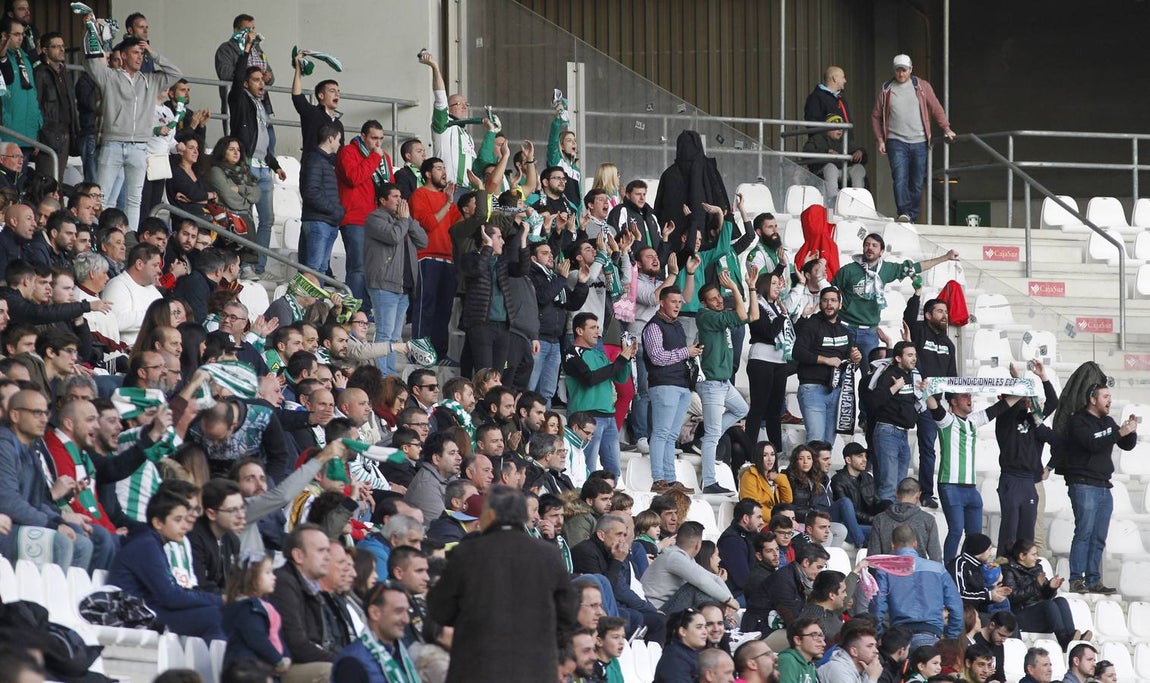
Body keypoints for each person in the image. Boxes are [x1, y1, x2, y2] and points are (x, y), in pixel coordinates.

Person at [427, 486, 574, 682]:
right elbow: (568, 612)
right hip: (535, 668)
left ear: (490, 514)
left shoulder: (466, 553)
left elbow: (440, 609)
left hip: (477, 668)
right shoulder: (549, 554)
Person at [81, 27, 182, 232]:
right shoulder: (110, 77)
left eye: (142, 53)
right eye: (136, 52)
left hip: (139, 148)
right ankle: (102, 237)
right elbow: (91, 62)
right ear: (124, 55)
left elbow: (176, 73)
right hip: (112, 144)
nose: (140, 57)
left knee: (134, 200)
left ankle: (130, 240)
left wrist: (153, 53)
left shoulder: (150, 80)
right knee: (104, 197)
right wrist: (90, 31)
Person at [107, 491, 224, 638]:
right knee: (215, 615)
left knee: (218, 611)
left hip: (150, 609)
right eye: (178, 520)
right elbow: (170, 597)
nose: (185, 527)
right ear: (158, 523)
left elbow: (173, 592)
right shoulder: (146, 545)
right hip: (135, 614)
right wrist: (221, 600)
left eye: (185, 520)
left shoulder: (153, 542)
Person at [831, 233, 959, 368]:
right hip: (845, 327)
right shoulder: (848, 270)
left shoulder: (887, 269)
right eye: (867, 245)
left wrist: (945, 257)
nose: (870, 248)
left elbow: (916, 267)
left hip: (869, 332)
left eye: (874, 246)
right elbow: (830, 291)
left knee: (870, 374)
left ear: (881, 251)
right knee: (840, 371)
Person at [0, 389, 94, 570]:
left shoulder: (30, 450)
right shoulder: (4, 446)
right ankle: (43, 597)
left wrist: (59, 521)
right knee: (60, 543)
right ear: (15, 415)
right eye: (36, 413)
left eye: (45, 413)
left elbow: (38, 502)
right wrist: (51, 525)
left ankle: (68, 597)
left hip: (20, 524)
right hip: (6, 527)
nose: (44, 419)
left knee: (82, 543)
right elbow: (8, 502)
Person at [925, 387, 1018, 565]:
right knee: (956, 530)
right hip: (950, 484)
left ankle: (969, 569)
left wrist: (1022, 391)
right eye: (964, 396)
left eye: (970, 395)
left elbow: (999, 408)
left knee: (975, 535)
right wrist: (926, 390)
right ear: (953, 401)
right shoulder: (947, 420)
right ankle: (951, 569)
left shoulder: (972, 420)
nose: (970, 398)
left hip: (970, 487)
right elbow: (934, 407)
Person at [1059, 382, 1137, 594]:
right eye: (1105, 396)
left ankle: (1094, 580)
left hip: (1103, 485)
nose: (1109, 400)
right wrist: (1118, 432)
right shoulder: (1078, 421)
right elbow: (1091, 443)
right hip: (1083, 483)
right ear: (1092, 399)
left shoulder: (1109, 421)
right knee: (1084, 532)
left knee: (1099, 536)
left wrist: (1130, 431)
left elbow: (1126, 445)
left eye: (1110, 396)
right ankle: (1076, 579)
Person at [869, 54, 955, 222]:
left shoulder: (922, 86)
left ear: (911, 69)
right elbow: (875, 116)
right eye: (898, 70)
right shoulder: (886, 89)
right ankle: (903, 212)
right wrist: (880, 139)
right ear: (893, 70)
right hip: (895, 141)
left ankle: (912, 216)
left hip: (920, 141)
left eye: (904, 70)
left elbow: (936, 107)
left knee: (916, 182)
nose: (901, 74)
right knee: (900, 177)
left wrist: (946, 128)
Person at [643, 286, 704, 493]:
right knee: (661, 432)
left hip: (681, 384)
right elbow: (657, 357)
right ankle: (658, 478)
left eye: (680, 302)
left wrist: (690, 354)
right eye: (673, 301)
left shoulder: (676, 325)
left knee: (671, 435)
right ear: (662, 302)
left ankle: (669, 479)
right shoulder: (653, 326)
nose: (678, 305)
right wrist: (686, 352)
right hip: (663, 384)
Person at [696, 270, 751, 493]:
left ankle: (707, 438)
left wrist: (752, 289)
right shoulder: (705, 315)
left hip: (723, 383)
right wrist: (736, 288)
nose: (719, 300)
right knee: (712, 436)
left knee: (741, 408)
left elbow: (748, 315)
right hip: (710, 384)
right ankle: (709, 482)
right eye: (713, 299)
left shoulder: (717, 315)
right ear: (704, 303)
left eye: (719, 296)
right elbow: (742, 316)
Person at [364, 183, 427, 376]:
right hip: (385, 284)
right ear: (383, 200)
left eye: (401, 196)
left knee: (394, 335)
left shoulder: (404, 220)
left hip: (403, 286)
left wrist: (408, 220)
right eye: (395, 196)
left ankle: (389, 374)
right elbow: (393, 236)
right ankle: (382, 375)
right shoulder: (375, 218)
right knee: (384, 332)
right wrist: (404, 220)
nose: (400, 200)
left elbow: (424, 241)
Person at [902, 289, 956, 510]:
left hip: (931, 402)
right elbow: (907, 319)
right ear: (927, 315)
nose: (945, 315)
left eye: (946, 312)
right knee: (896, 440)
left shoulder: (949, 344)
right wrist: (916, 296)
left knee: (928, 448)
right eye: (940, 311)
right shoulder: (919, 331)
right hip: (908, 396)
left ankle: (926, 493)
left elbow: (952, 375)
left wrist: (952, 401)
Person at [564, 312, 635, 477]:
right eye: (593, 328)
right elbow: (590, 378)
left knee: (614, 471)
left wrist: (627, 357)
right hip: (587, 417)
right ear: (579, 331)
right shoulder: (571, 353)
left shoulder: (599, 354)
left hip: (609, 416)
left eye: (598, 328)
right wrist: (620, 361)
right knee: (586, 467)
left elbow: (619, 377)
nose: (598, 332)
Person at [874, 525, 963, 650]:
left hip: (900, 640)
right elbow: (956, 606)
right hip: (932, 635)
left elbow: (878, 605)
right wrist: (951, 636)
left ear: (892, 545)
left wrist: (878, 635)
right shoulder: (938, 569)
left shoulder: (885, 570)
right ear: (915, 543)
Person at [410, 157, 462, 360]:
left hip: (448, 260)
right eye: (439, 168)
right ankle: (419, 353)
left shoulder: (446, 199)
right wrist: (448, 203)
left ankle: (440, 354)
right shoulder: (419, 195)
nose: (444, 172)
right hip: (427, 257)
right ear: (428, 174)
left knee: (444, 311)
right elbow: (428, 224)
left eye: (444, 168)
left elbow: (460, 224)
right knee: (426, 307)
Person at [792, 287, 859, 444]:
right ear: (820, 303)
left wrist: (855, 360)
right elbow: (798, 352)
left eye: (833, 300)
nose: (829, 304)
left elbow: (848, 366)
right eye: (825, 300)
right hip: (812, 389)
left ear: (840, 305)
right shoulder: (811, 325)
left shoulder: (846, 331)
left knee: (828, 443)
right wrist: (826, 359)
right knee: (816, 440)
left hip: (837, 391)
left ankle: (821, 470)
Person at [330, 580, 419, 683]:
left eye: (407, 611)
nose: (406, 619)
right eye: (398, 611)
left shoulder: (403, 656)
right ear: (375, 613)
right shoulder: (352, 663)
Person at [641, 520, 739, 614]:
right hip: (657, 610)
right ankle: (719, 623)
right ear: (698, 545)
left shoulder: (685, 558)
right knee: (696, 589)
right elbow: (702, 581)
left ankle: (721, 622)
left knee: (706, 589)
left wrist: (730, 602)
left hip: (667, 606)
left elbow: (715, 578)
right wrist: (728, 600)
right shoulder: (674, 556)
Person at [1002, 538, 1081, 649]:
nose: (1036, 558)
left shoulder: (1037, 568)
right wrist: (1036, 585)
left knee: (1060, 600)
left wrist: (1050, 587)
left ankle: (1072, 637)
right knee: (1048, 605)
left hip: (1040, 613)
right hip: (1021, 615)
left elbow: (1045, 595)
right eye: (1033, 554)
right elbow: (1012, 596)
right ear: (1022, 556)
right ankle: (1064, 641)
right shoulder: (1008, 570)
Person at [221, 554, 290, 676]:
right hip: (247, 673)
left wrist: (285, 656)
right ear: (251, 577)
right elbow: (257, 638)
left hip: (265, 669)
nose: (274, 577)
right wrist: (278, 661)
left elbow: (277, 635)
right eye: (268, 573)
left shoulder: (263, 605)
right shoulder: (246, 608)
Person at [870, 342, 921, 501]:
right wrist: (895, 387)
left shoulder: (910, 375)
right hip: (888, 432)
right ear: (898, 358)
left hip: (902, 434)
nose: (914, 359)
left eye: (915, 355)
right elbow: (874, 401)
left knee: (901, 488)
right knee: (889, 486)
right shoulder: (888, 374)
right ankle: (886, 525)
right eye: (910, 355)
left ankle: (898, 524)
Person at [299, 123, 346, 274]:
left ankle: (315, 298)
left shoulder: (323, 161)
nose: (340, 144)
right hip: (319, 222)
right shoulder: (314, 159)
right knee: (314, 269)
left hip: (326, 221)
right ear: (331, 139)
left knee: (320, 269)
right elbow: (311, 193)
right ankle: (308, 298)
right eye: (339, 140)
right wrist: (336, 210)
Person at [33, 32, 77, 180]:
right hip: (48, 135)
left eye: (62, 46)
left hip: (65, 133)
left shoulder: (64, 72)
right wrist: (36, 138)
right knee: (46, 181)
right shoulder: (40, 72)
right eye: (56, 46)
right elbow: (36, 105)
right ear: (45, 50)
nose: (61, 49)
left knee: (58, 181)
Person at [101, 242, 164, 345]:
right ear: (139, 264)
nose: (159, 270)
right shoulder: (117, 285)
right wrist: (154, 315)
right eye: (155, 265)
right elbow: (116, 321)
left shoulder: (154, 292)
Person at [866, 477, 942, 561]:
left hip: (886, 572)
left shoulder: (879, 519)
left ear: (896, 494)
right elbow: (936, 557)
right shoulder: (928, 520)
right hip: (919, 571)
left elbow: (873, 558)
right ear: (918, 496)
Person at [829, 443, 884, 547]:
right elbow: (848, 511)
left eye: (865, 456)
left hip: (862, 525)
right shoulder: (838, 480)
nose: (864, 460)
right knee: (846, 502)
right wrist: (872, 520)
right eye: (860, 456)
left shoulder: (868, 477)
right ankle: (861, 543)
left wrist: (887, 509)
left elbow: (876, 502)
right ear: (848, 460)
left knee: (886, 528)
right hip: (846, 525)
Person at [802, 114, 866, 203]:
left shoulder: (844, 140)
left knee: (858, 168)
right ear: (828, 128)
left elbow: (858, 156)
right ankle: (833, 199)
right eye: (836, 127)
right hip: (822, 170)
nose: (840, 130)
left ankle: (858, 199)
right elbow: (806, 153)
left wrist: (860, 152)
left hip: (843, 170)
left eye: (841, 128)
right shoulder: (818, 138)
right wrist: (826, 152)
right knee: (831, 167)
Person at [716, 498, 764, 601]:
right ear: (746, 518)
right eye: (758, 517)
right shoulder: (731, 541)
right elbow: (743, 580)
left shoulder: (752, 535)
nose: (762, 522)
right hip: (737, 595)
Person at [653, 609, 709, 683]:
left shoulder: (694, 654)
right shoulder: (674, 658)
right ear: (682, 631)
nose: (705, 632)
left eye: (705, 627)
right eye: (699, 627)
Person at [778, 617, 825, 683]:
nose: (822, 642)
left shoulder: (810, 666)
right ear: (798, 640)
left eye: (821, 635)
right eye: (814, 635)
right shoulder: (787, 660)